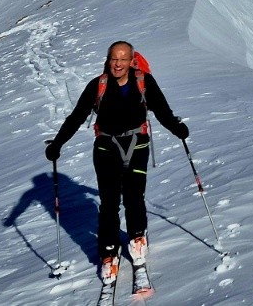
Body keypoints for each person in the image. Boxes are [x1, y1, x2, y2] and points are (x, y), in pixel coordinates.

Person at [45, 41, 188, 289]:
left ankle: (137, 240)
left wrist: (178, 129)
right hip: (106, 148)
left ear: (131, 61)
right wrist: (57, 143)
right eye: (114, 59)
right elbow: (77, 116)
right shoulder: (98, 85)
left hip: (137, 146)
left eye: (123, 59)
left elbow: (162, 111)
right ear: (108, 60)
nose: (118, 64)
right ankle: (109, 252)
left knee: (134, 197)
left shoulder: (144, 82)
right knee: (109, 202)